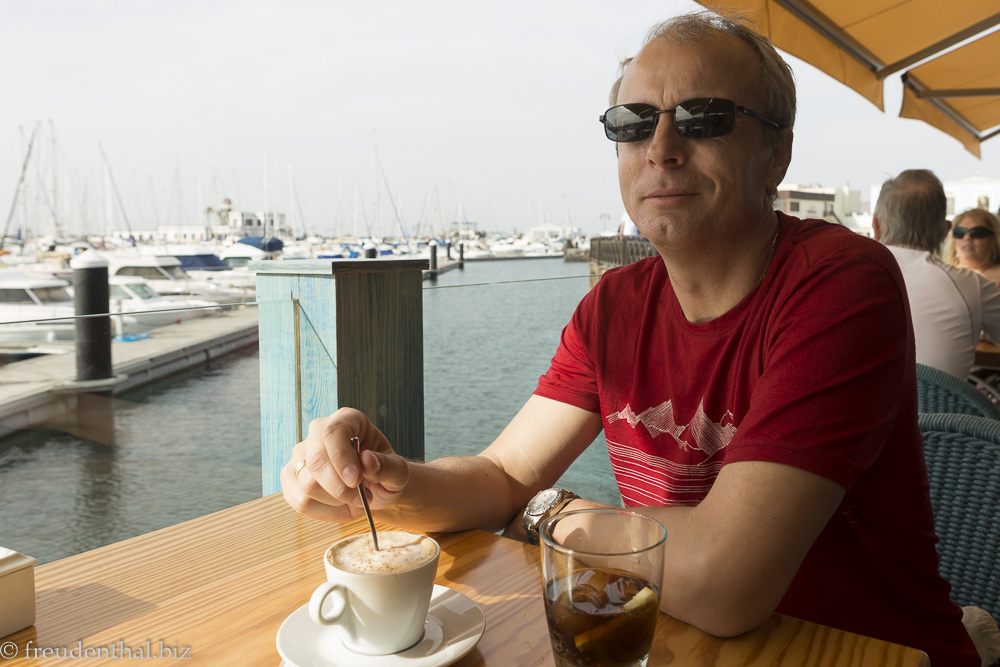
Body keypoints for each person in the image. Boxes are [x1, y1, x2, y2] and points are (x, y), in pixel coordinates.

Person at [282, 11, 978, 665]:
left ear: (776, 153)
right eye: (634, 124)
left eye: (704, 118)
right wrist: (385, 479)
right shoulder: (612, 307)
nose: (662, 149)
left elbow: (724, 582)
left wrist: (549, 512)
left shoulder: (840, 283)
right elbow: (504, 476)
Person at [873, 169, 1000, 379]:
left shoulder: (846, 275)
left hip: (862, 400)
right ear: (945, 230)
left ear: (876, 226)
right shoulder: (973, 286)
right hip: (944, 400)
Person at [946, 207, 1000, 286]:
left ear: (993, 238)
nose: (967, 237)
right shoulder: (943, 276)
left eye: (977, 232)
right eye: (960, 232)